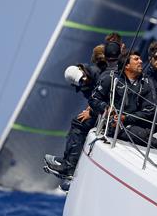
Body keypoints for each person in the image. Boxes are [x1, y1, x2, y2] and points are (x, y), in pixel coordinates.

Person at [43, 42, 119, 181]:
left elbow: (103, 95)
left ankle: (69, 166)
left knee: (79, 124)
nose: (83, 81)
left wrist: (91, 112)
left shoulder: (96, 72)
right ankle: (67, 160)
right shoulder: (83, 83)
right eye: (80, 82)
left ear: (82, 70)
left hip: (108, 110)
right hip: (101, 109)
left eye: (83, 78)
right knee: (77, 122)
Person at [90, 49, 157, 151]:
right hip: (115, 125)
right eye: (136, 59)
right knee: (139, 133)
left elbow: (150, 108)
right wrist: (106, 108)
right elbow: (94, 99)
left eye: (140, 59)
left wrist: (127, 117)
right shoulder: (111, 78)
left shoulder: (145, 81)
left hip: (134, 120)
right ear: (127, 65)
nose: (141, 61)